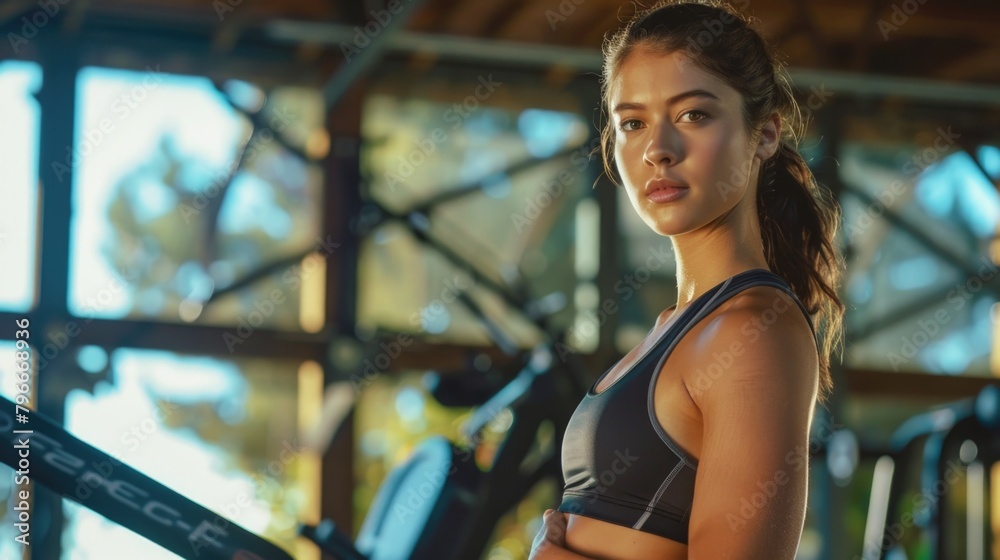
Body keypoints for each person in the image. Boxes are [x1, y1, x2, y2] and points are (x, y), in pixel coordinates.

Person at [529, 1, 844, 558]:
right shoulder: (674, 328)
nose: (658, 150)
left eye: (693, 115)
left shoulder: (753, 333)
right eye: (632, 123)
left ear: (765, 134)